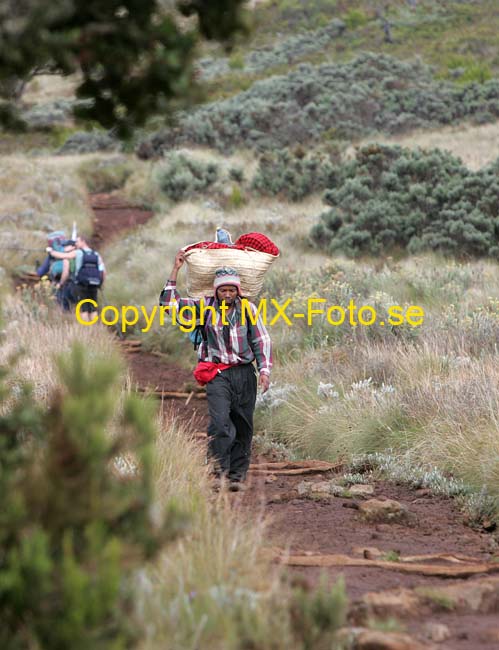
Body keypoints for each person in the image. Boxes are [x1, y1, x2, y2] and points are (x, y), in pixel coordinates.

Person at [160, 251, 272, 490]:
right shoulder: (204, 308)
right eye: (223, 290)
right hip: (217, 373)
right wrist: (175, 270)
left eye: (232, 290)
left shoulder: (248, 310)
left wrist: (264, 370)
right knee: (220, 423)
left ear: (238, 291)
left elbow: (261, 340)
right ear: (216, 291)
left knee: (243, 425)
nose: (228, 294)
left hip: (244, 374)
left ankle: (236, 477)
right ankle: (218, 473)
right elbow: (171, 306)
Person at [46, 235, 106, 321]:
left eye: (77, 241)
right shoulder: (96, 254)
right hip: (94, 284)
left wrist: (51, 252)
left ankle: (86, 329)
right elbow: (103, 271)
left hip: (81, 284)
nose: (76, 243)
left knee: (83, 308)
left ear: (83, 241)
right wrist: (101, 283)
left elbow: (63, 256)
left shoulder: (78, 253)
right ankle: (93, 326)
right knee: (93, 308)